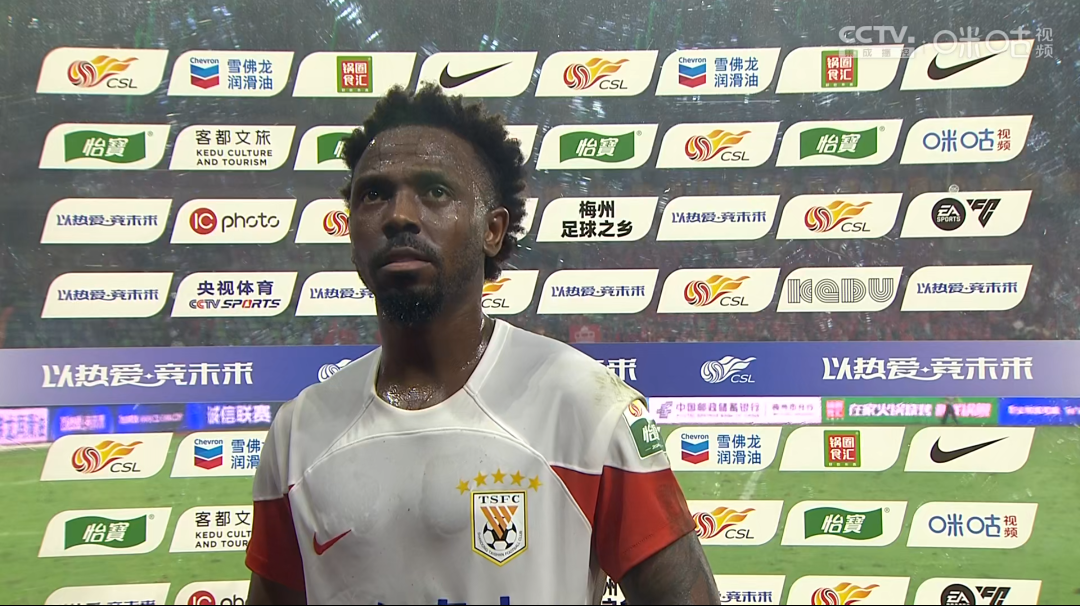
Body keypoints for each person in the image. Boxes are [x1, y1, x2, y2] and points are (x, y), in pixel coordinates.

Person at [244, 84, 719, 605]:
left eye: (435, 192)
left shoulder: (584, 405)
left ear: (493, 230)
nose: (399, 215)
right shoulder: (297, 434)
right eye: (374, 194)